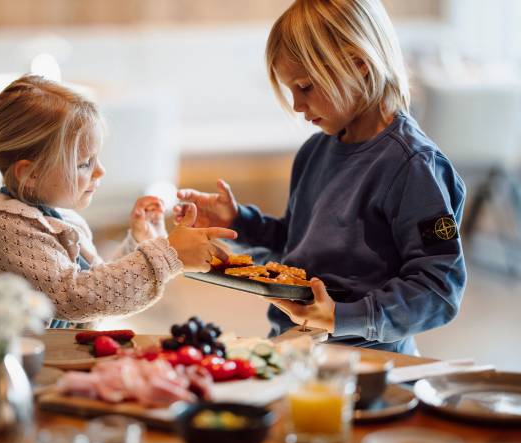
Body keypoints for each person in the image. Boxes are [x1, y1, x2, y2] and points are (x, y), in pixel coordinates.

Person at [175, 0, 466, 354]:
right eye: (291, 91)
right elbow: (297, 251)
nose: (297, 106)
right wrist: (239, 223)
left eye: (305, 87)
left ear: (359, 65)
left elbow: (439, 289)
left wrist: (341, 316)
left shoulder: (413, 166)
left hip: (371, 366)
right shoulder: (314, 152)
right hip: (298, 354)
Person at [0, 75, 236, 336]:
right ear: (30, 174)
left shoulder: (62, 221)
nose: (100, 171)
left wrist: (140, 244)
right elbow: (76, 298)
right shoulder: (3, 228)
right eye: (85, 163)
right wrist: (168, 254)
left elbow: (97, 284)